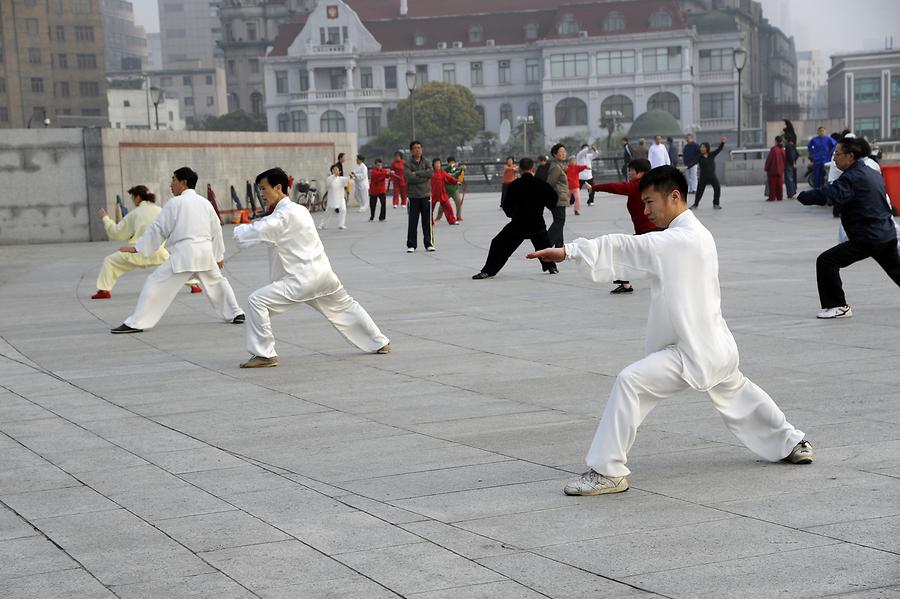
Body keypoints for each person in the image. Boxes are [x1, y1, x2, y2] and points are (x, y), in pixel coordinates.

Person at [527, 166, 812, 496]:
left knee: (630, 382)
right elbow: (637, 249)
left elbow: (626, 247)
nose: (646, 211)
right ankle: (792, 441)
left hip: (692, 350)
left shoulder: (678, 239)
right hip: (716, 345)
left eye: (649, 202)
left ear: (674, 196)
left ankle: (608, 471)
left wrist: (570, 250)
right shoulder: (697, 233)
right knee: (738, 392)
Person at [234, 168, 391, 368]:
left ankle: (264, 354)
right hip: (324, 275)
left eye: (264, 189)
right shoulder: (300, 210)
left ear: (278, 187)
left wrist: (239, 230)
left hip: (300, 281)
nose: (262, 194)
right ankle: (380, 342)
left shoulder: (281, 216)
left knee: (256, 301)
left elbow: (255, 232)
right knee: (346, 307)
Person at [110, 167, 244, 334]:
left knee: (155, 283)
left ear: (183, 182)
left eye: (173, 180)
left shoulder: (174, 203)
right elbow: (216, 229)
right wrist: (218, 255)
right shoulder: (205, 203)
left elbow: (158, 229)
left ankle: (136, 323)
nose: (170, 184)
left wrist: (138, 247)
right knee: (218, 282)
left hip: (184, 255)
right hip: (205, 254)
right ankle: (236, 313)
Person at [797, 137, 900, 319]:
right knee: (896, 269)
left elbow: (830, 195)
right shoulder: (871, 172)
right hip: (886, 233)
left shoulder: (853, 178)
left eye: (837, 154)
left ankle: (838, 306)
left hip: (868, 237)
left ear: (850, 156)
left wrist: (804, 196)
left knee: (826, 261)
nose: (834, 158)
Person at [92, 185, 197, 299]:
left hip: (137, 252)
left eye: (132, 197)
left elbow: (117, 232)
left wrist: (106, 219)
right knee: (176, 264)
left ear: (137, 198)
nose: (133, 200)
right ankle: (194, 285)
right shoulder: (160, 210)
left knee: (110, 261)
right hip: (159, 252)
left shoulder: (135, 213)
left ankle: (104, 291)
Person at [472, 157, 558, 279]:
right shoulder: (541, 184)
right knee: (543, 245)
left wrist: (515, 215)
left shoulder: (514, 185)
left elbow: (507, 207)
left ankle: (488, 271)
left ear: (520, 170)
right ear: (532, 169)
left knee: (498, 244)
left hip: (518, 224)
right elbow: (553, 201)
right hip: (537, 223)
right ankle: (551, 267)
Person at [588, 158, 658, 294]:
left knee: (624, 253)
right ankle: (626, 284)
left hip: (650, 231)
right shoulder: (650, 185)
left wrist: (595, 188)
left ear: (640, 172)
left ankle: (626, 284)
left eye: (631, 170)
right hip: (648, 231)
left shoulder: (637, 186)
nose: (629, 173)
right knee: (629, 254)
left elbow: (614, 187)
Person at [405, 140, 434, 252]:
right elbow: (409, 177)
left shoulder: (426, 161)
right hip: (413, 196)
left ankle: (429, 243)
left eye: (419, 148)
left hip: (425, 195)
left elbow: (430, 173)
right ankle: (411, 245)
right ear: (411, 150)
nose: (418, 150)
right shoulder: (407, 163)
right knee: (413, 222)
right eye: (415, 148)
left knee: (427, 222)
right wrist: (423, 175)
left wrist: (416, 173)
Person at [686, 137, 726, 210]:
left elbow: (719, 149)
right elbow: (693, 162)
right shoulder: (699, 157)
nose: (701, 149)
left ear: (707, 148)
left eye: (703, 147)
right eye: (701, 147)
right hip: (703, 177)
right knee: (699, 191)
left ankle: (716, 204)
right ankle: (695, 204)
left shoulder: (711, 154)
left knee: (717, 188)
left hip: (712, 176)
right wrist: (687, 167)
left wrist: (722, 142)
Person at [546, 143, 570, 248]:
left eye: (564, 151)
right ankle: (546, 244)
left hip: (561, 198)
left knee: (559, 222)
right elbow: (549, 184)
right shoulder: (556, 167)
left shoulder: (560, 166)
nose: (563, 154)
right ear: (555, 154)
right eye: (561, 152)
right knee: (559, 222)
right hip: (558, 199)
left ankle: (559, 246)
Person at [319, 164, 350, 230]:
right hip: (332, 198)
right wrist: (333, 176)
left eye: (337, 169)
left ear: (339, 171)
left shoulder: (341, 179)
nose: (335, 171)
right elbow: (328, 184)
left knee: (343, 210)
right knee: (328, 212)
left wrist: (350, 176)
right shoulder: (329, 178)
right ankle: (322, 224)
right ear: (332, 171)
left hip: (341, 198)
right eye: (334, 169)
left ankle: (341, 224)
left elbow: (347, 179)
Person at [429, 158, 460, 225]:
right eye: (436, 163)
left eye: (439, 163)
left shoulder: (442, 172)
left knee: (448, 207)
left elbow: (450, 178)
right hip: (433, 194)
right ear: (433, 165)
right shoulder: (430, 173)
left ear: (440, 164)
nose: (437, 165)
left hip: (442, 193)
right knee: (429, 209)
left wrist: (457, 181)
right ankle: (429, 222)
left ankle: (452, 221)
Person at [437, 157, 466, 221]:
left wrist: (463, 169)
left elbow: (461, 176)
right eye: (450, 162)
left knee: (458, 202)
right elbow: (442, 171)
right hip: (446, 190)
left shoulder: (457, 170)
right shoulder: (445, 170)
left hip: (455, 190)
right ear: (448, 163)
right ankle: (438, 217)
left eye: (453, 162)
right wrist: (451, 166)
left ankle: (458, 217)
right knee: (443, 204)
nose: (452, 163)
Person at [764, 136, 786, 202]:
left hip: (772, 170)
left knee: (772, 185)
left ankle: (772, 197)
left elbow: (769, 160)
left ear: (776, 141)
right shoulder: (782, 149)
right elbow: (784, 160)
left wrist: (766, 168)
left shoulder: (774, 149)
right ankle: (780, 197)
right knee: (779, 185)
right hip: (780, 170)